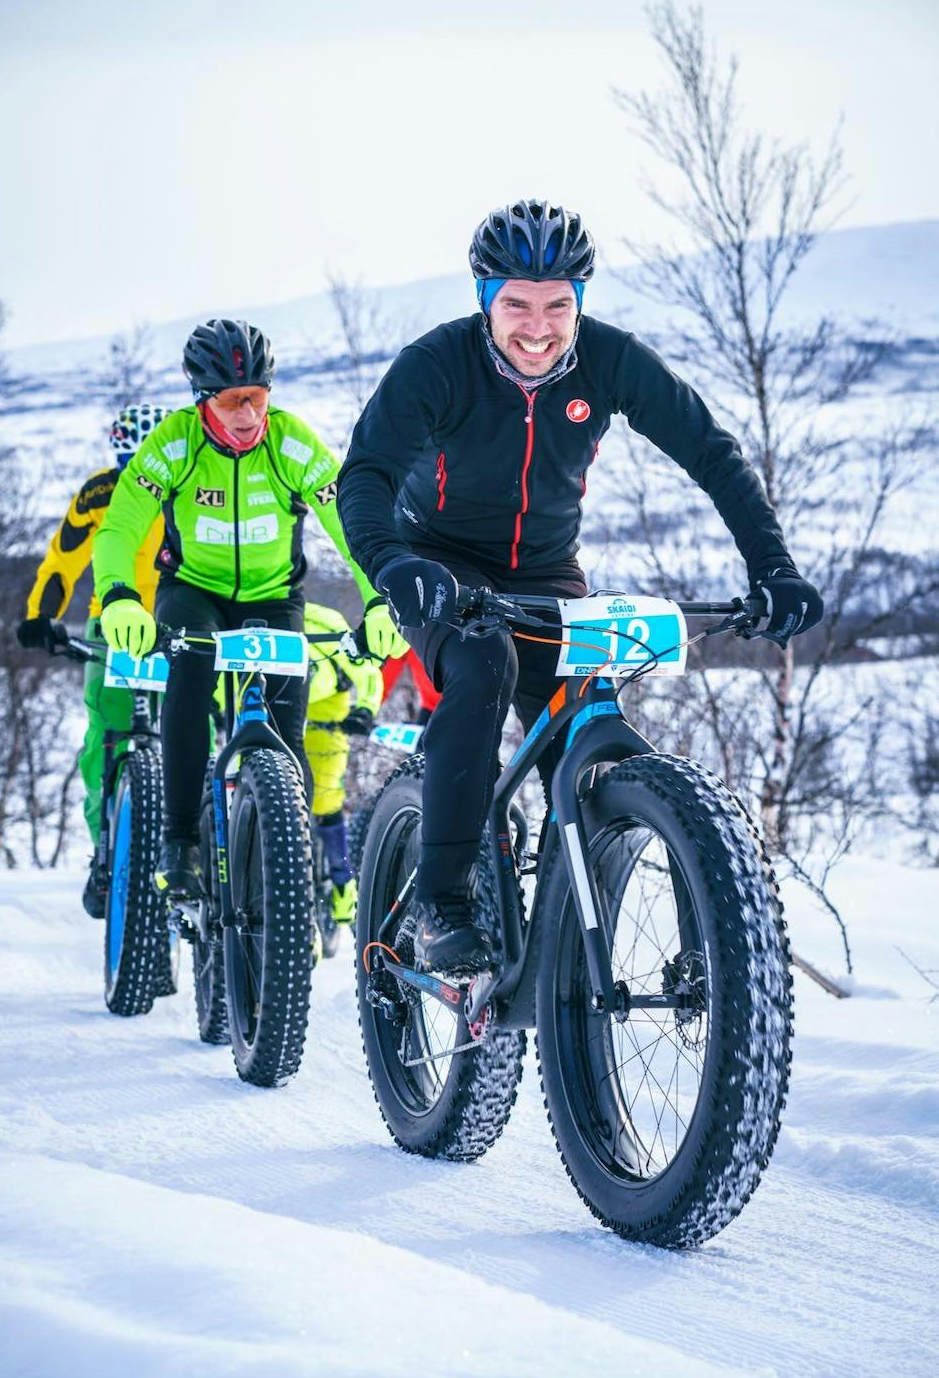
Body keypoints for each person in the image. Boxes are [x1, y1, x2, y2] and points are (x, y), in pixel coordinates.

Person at [337, 198, 824, 974]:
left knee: (585, 727)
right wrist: (395, 566)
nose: (539, 326)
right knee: (484, 663)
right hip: (441, 564)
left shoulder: (609, 358)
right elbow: (363, 477)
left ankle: (575, 941)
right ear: (484, 301)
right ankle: (441, 900)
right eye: (517, 306)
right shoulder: (436, 364)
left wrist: (774, 567)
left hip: (549, 570)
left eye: (558, 305)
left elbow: (712, 454)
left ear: (580, 303)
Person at [91, 318, 405, 897]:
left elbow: (352, 524)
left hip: (273, 597)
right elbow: (119, 528)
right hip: (194, 591)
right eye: (232, 401)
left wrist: (382, 598)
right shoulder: (175, 444)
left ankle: (291, 856)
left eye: (257, 398)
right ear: (202, 399)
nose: (247, 414)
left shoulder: (289, 443)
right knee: (189, 676)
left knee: (288, 734)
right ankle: (180, 838)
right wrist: (118, 596)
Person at [17, 403, 169, 916]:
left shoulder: (186, 483)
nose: (138, 474)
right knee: (106, 735)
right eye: (129, 461)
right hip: (114, 624)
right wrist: (41, 615)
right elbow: (65, 556)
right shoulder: (100, 492)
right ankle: (107, 852)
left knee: (200, 727)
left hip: (179, 621)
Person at [304, 600, 384, 924]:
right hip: (275, 718)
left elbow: (366, 673)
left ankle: (342, 881)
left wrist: (364, 710)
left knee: (325, 799)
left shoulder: (327, 627)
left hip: (324, 725)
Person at [380, 647, 440, 726]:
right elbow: (392, 667)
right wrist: (373, 703)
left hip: (455, 704)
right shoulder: (406, 640)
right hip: (430, 705)